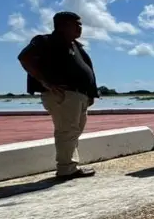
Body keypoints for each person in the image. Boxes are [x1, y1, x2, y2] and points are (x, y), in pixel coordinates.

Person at [17, 11, 99, 179]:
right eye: (75, 24)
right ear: (62, 25)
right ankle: (66, 168)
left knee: (74, 131)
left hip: (78, 95)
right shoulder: (45, 41)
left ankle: (70, 164)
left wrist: (90, 93)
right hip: (63, 94)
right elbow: (24, 57)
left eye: (80, 25)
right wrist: (45, 82)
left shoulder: (76, 46)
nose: (80, 28)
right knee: (67, 130)